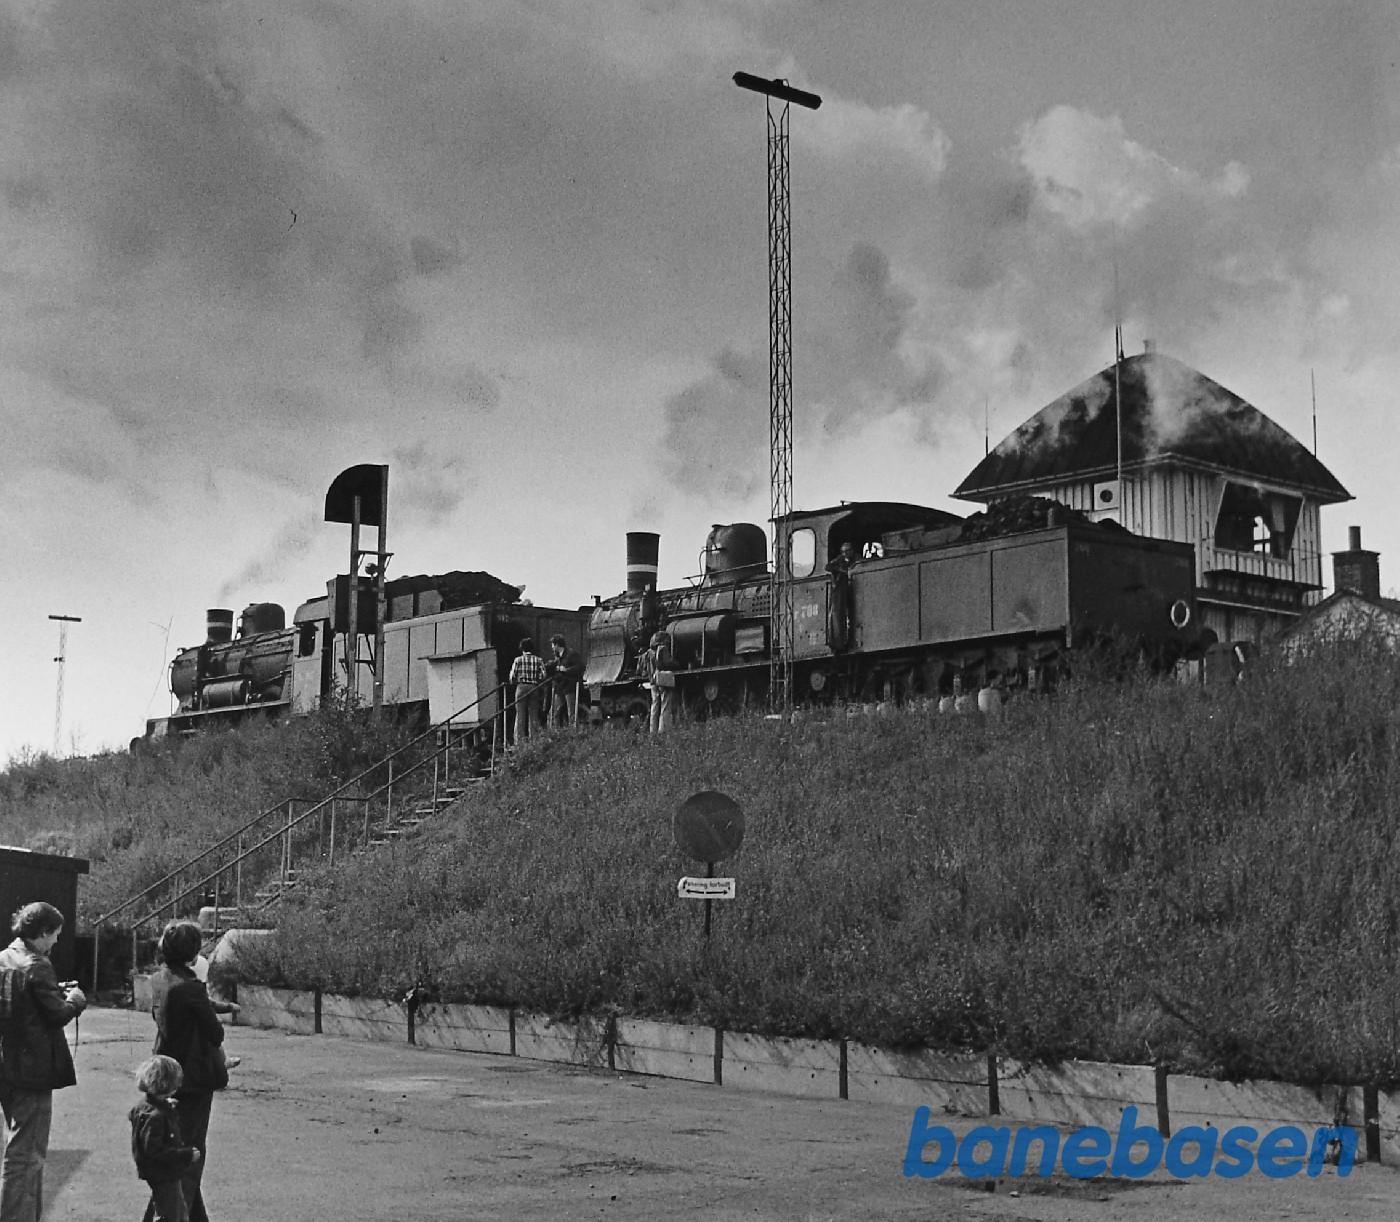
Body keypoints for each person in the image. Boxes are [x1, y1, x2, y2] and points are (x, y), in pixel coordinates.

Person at [0, 901, 86, 1222]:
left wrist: (54, 991)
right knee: (26, 1156)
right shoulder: (39, 965)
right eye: (55, 936)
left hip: (6, 1066)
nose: (56, 942)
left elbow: (27, 1000)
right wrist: (75, 1000)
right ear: (43, 932)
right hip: (33, 1071)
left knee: (20, 1149)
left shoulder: (4, 959)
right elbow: (58, 1013)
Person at [148, 921, 227, 1222]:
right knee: (190, 1153)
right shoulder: (191, 988)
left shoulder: (158, 980)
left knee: (174, 1145)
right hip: (192, 1077)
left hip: (164, 1070)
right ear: (193, 954)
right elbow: (215, 1033)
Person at [129, 1055, 201, 1222]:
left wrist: (165, 1106)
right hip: (164, 1172)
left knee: (175, 1208)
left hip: (158, 1172)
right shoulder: (156, 1117)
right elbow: (156, 1151)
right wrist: (185, 1155)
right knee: (171, 1212)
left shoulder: (146, 1108)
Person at [508, 638, 547, 745]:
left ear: (522, 649)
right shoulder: (538, 660)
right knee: (533, 714)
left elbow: (512, 677)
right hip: (534, 687)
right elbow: (543, 675)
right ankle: (534, 739)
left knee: (520, 715)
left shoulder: (518, 660)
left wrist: (516, 681)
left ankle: (519, 740)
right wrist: (536, 679)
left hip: (521, 687)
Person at [545, 634, 585, 728]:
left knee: (571, 711)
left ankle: (573, 730)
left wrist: (566, 669)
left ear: (557, 645)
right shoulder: (558, 656)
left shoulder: (571, 654)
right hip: (560, 686)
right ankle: (555, 731)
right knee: (554, 711)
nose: (552, 647)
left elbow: (580, 666)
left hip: (569, 686)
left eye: (552, 645)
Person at [646, 630, 676, 735]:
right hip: (663, 679)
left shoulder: (649, 652)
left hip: (653, 680)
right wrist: (677, 664)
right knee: (665, 704)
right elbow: (668, 663)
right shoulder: (663, 649)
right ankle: (663, 729)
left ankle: (652, 730)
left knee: (654, 705)